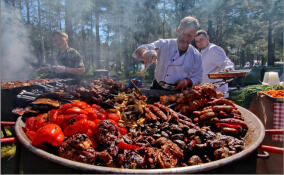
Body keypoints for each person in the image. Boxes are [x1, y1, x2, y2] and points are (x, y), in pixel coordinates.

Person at [132, 16, 202, 90]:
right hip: (158, 87)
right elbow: (140, 50)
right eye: (183, 33)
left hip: (180, 92)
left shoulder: (196, 55)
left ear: (194, 36)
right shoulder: (164, 44)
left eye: (189, 35)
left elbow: (198, 77)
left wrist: (187, 81)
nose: (185, 38)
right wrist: (145, 53)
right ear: (178, 30)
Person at [194, 30, 234, 98]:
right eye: (197, 41)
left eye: (201, 39)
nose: (199, 43)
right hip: (206, 94)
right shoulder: (201, 53)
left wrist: (228, 69)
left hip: (218, 94)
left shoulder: (213, 49)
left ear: (207, 37)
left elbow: (226, 63)